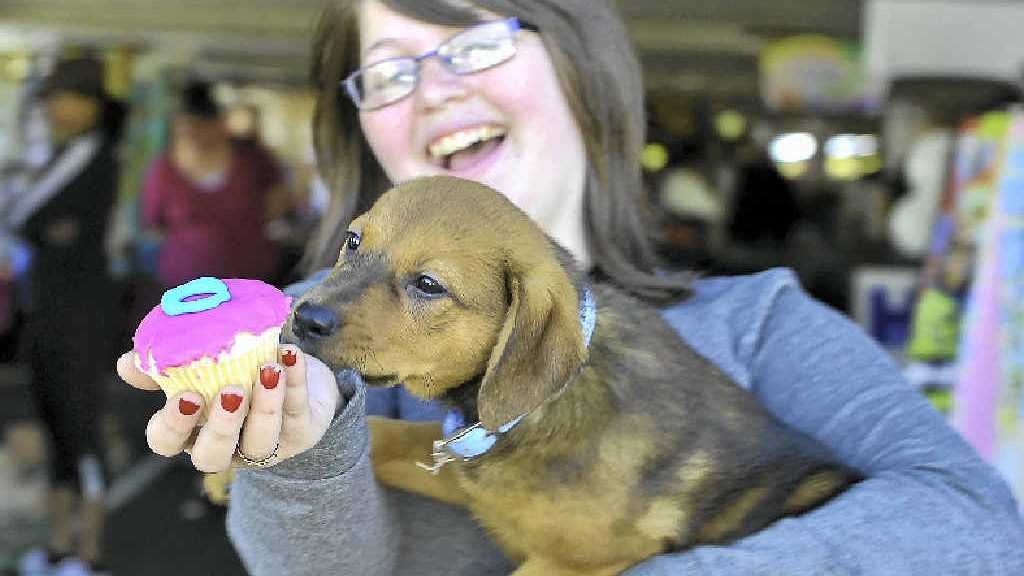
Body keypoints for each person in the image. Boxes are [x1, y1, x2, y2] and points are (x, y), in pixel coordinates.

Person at [117, 1, 1024, 574]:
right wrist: (294, 457)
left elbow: (978, 528)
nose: (432, 90)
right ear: (364, 128)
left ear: (581, 69)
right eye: (389, 71)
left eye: (474, 44)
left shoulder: (761, 323)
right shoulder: (312, 324)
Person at [4, 56, 125, 576]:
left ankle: (88, 553)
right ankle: (58, 547)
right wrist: (46, 230)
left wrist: (44, 229)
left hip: (79, 315)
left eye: (65, 96)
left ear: (91, 105)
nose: (55, 106)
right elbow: (34, 223)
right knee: (55, 426)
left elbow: (20, 215)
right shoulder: (60, 154)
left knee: (80, 429)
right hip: (49, 309)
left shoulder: (92, 154)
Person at [140, 79, 288, 289]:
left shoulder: (252, 160)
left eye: (201, 127)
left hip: (249, 281)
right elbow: (153, 223)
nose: (194, 135)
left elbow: (278, 200)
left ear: (219, 125)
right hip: (183, 284)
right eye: (185, 129)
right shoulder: (164, 170)